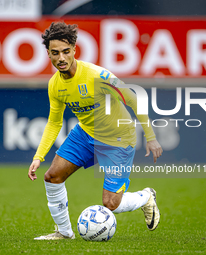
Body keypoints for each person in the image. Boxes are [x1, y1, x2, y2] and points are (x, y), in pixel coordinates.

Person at [28, 22, 163, 240]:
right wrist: (38, 156)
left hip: (118, 139)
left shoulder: (96, 75)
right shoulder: (55, 84)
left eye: (65, 52)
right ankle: (64, 233)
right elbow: (54, 122)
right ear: (48, 54)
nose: (61, 58)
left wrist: (151, 137)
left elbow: (132, 98)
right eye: (55, 53)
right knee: (52, 177)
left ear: (74, 50)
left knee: (111, 203)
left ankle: (145, 197)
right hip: (86, 134)